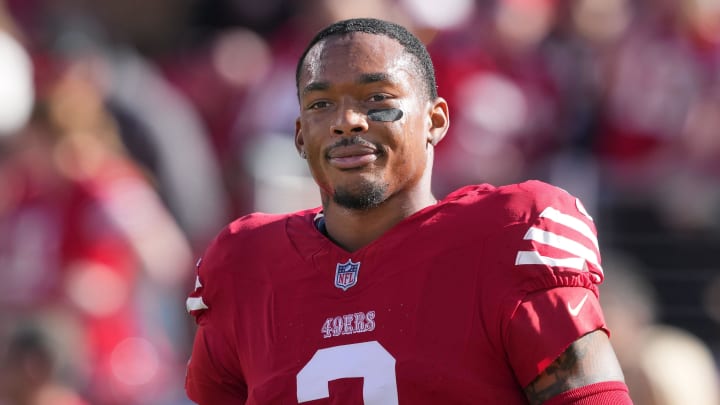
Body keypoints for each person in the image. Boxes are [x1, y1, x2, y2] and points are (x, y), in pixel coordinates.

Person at [184, 18, 633, 404]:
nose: (347, 120)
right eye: (322, 104)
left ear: (435, 121)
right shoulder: (244, 265)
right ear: (301, 135)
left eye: (377, 98)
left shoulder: (508, 233)